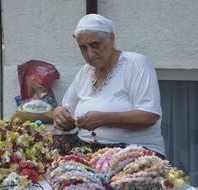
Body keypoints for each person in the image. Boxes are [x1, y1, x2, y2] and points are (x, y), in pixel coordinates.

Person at [53, 14, 165, 159]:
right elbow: (68, 112)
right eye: (83, 48)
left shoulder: (136, 63)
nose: (90, 54)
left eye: (95, 45)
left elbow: (149, 116)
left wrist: (104, 119)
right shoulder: (85, 71)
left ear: (111, 39)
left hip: (133, 150)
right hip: (86, 147)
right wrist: (61, 116)